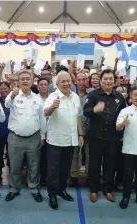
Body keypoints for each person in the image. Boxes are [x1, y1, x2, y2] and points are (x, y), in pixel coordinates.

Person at [83, 69, 126, 203]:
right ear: (100, 80)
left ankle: (107, 189)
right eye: (105, 79)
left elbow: (123, 114)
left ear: (114, 81)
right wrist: (95, 109)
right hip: (95, 136)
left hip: (113, 138)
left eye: (110, 79)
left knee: (110, 164)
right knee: (94, 164)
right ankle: (94, 190)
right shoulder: (93, 95)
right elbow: (85, 111)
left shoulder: (119, 97)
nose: (108, 81)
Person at [44, 71, 84, 210]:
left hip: (71, 140)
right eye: (63, 81)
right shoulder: (53, 97)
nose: (66, 83)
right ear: (57, 84)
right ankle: (52, 194)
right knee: (53, 169)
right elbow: (45, 113)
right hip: (55, 140)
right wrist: (53, 107)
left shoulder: (75, 97)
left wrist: (80, 134)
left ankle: (62, 189)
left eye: (68, 81)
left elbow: (79, 116)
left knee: (65, 168)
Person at [4, 70, 46, 203]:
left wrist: (43, 136)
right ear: (18, 81)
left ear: (32, 80)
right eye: (22, 79)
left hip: (33, 137)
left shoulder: (38, 99)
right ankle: (14, 188)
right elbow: (7, 105)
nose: (25, 81)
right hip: (15, 138)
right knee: (15, 166)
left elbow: (42, 118)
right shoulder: (13, 95)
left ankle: (34, 188)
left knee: (34, 165)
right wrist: (12, 95)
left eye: (28, 78)